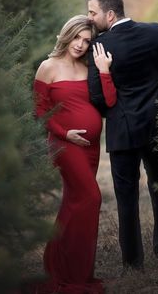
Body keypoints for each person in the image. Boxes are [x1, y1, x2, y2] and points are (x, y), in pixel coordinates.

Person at [86, 0, 158, 271]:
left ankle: (132, 262)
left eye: (93, 12)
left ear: (110, 14)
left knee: (126, 197)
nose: (89, 17)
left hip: (123, 131)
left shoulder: (99, 46)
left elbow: (97, 98)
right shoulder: (157, 31)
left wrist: (113, 111)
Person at [31, 15, 116, 294]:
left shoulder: (88, 66)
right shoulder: (48, 67)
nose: (80, 45)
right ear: (67, 35)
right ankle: (71, 272)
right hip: (64, 144)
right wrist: (64, 133)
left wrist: (104, 71)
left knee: (75, 202)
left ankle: (61, 265)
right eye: (77, 37)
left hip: (90, 147)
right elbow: (40, 111)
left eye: (86, 40)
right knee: (91, 197)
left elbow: (108, 101)